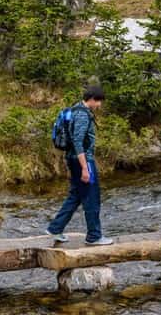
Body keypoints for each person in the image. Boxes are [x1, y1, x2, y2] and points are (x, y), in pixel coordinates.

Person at [46, 85, 114, 246]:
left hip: (73, 159)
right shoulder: (83, 116)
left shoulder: (75, 109)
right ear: (91, 99)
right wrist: (85, 168)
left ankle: (56, 228)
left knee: (76, 195)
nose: (99, 105)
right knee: (92, 197)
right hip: (82, 160)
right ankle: (94, 236)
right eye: (98, 102)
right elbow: (78, 141)